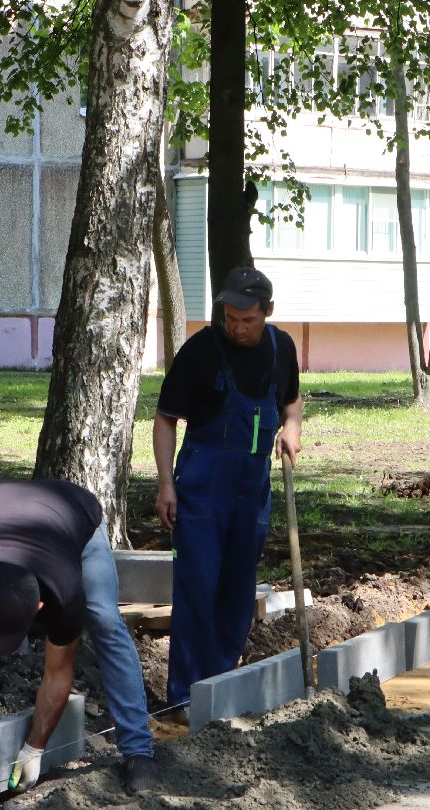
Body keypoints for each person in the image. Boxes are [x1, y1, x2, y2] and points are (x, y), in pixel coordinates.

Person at [0, 478, 160, 794]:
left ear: (39, 607)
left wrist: (35, 748)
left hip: (75, 514)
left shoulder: (64, 592)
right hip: (1, 506)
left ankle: (138, 751)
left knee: (104, 620)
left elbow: (57, 671)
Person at [152, 267, 302, 714]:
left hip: (251, 489)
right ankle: (185, 696)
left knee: (238, 590)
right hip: (202, 487)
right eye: (230, 317)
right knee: (198, 589)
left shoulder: (281, 348)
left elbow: (291, 402)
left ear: (267, 312)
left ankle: (222, 686)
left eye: (247, 319)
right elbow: (164, 419)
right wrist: (165, 485)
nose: (237, 327)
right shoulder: (201, 350)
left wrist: (292, 427)